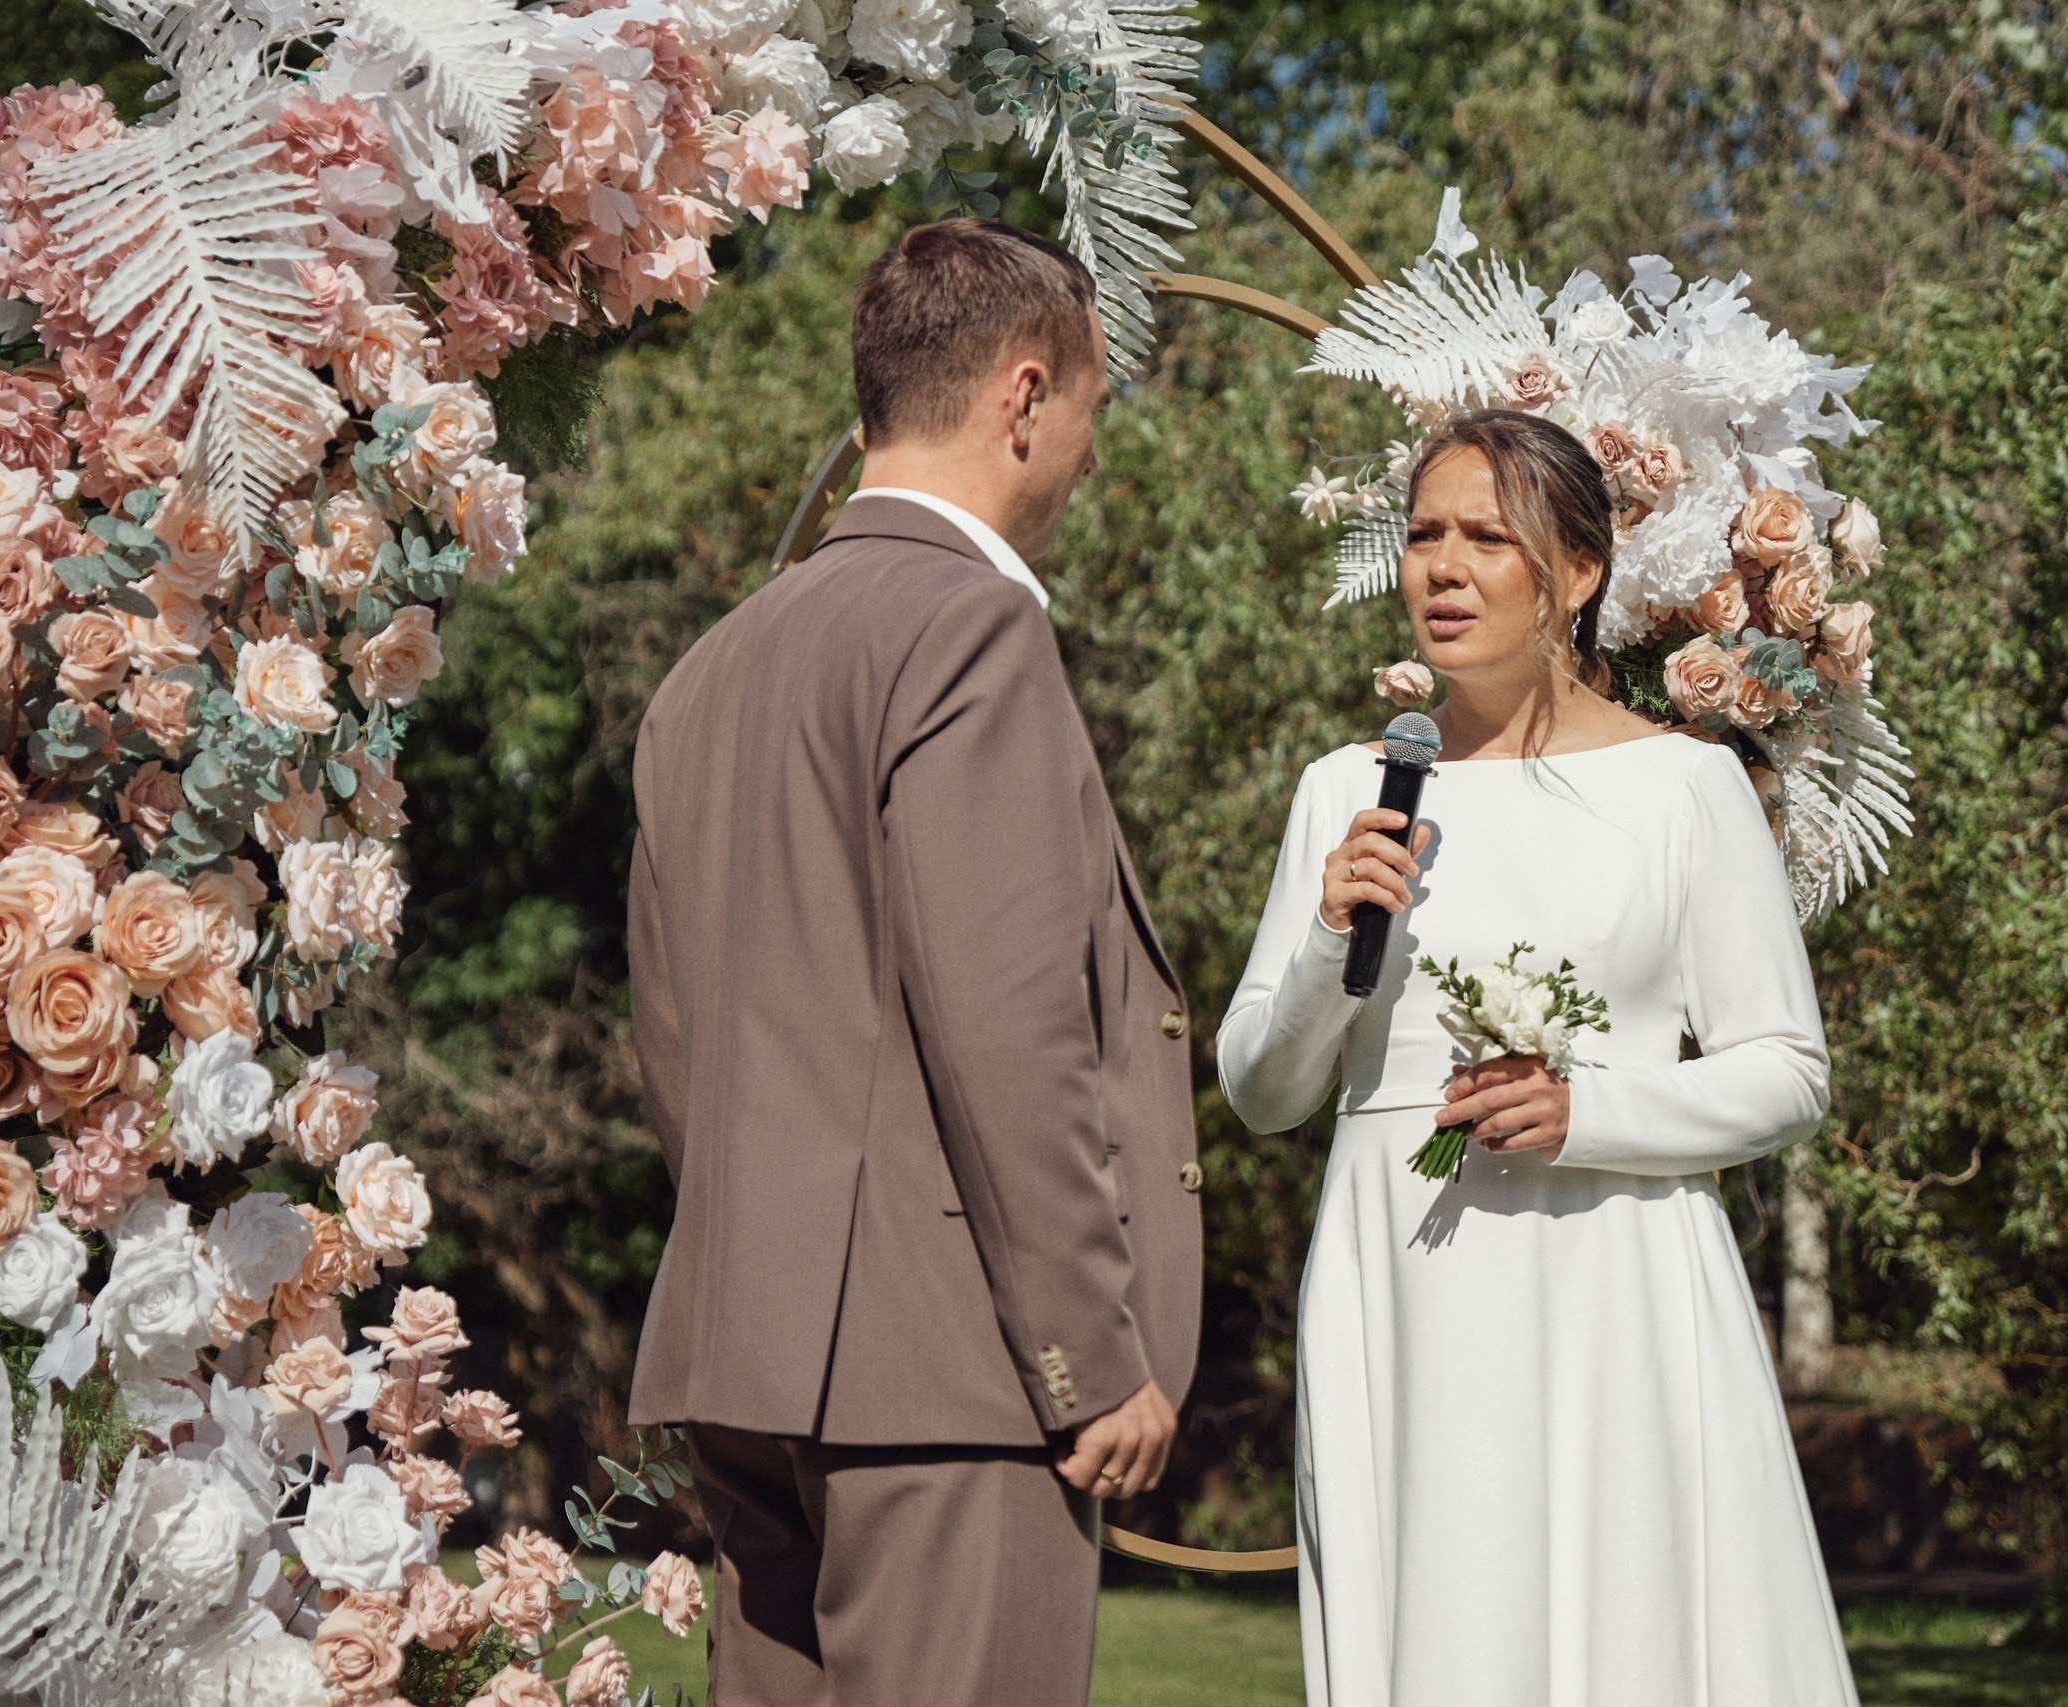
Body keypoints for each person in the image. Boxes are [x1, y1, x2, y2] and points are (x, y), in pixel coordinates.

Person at [625, 218, 1204, 1707]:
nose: (1083, 452)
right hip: (950, 1381)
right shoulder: (969, 630)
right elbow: (1009, 1034)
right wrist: (1087, 1351)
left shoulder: (713, 669)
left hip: (748, 1363)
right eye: (1087, 412)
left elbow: (677, 1046)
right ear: (1022, 397)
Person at [1218, 410, 1857, 1705]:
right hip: (1398, 1281)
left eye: (1485, 539)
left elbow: (1789, 1067)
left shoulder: (1685, 790)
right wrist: (1330, 937)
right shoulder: (1346, 788)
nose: (1441, 569)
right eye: (1421, 536)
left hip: (1614, 1276)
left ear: (1576, 572)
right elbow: (1262, 1090)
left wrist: (1589, 1113)